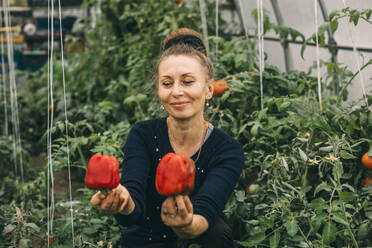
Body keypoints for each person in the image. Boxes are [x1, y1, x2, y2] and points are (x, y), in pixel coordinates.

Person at [90, 28, 244, 248]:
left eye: (188, 82)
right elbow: (133, 210)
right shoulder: (143, 135)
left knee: (216, 232)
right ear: (158, 89)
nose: (176, 91)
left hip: (196, 243)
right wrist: (123, 201)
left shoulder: (227, 149)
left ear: (209, 89)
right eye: (167, 83)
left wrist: (187, 224)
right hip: (145, 242)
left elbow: (207, 210)